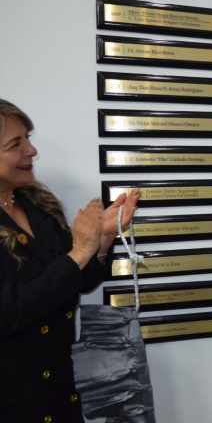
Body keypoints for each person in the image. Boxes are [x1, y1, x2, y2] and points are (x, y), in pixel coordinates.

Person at [0, 99, 139, 423]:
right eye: (15, 144)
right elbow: (8, 311)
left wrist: (102, 238)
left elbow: (78, 281)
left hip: (59, 387)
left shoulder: (37, 204)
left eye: (27, 138)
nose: (31, 150)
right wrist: (79, 252)